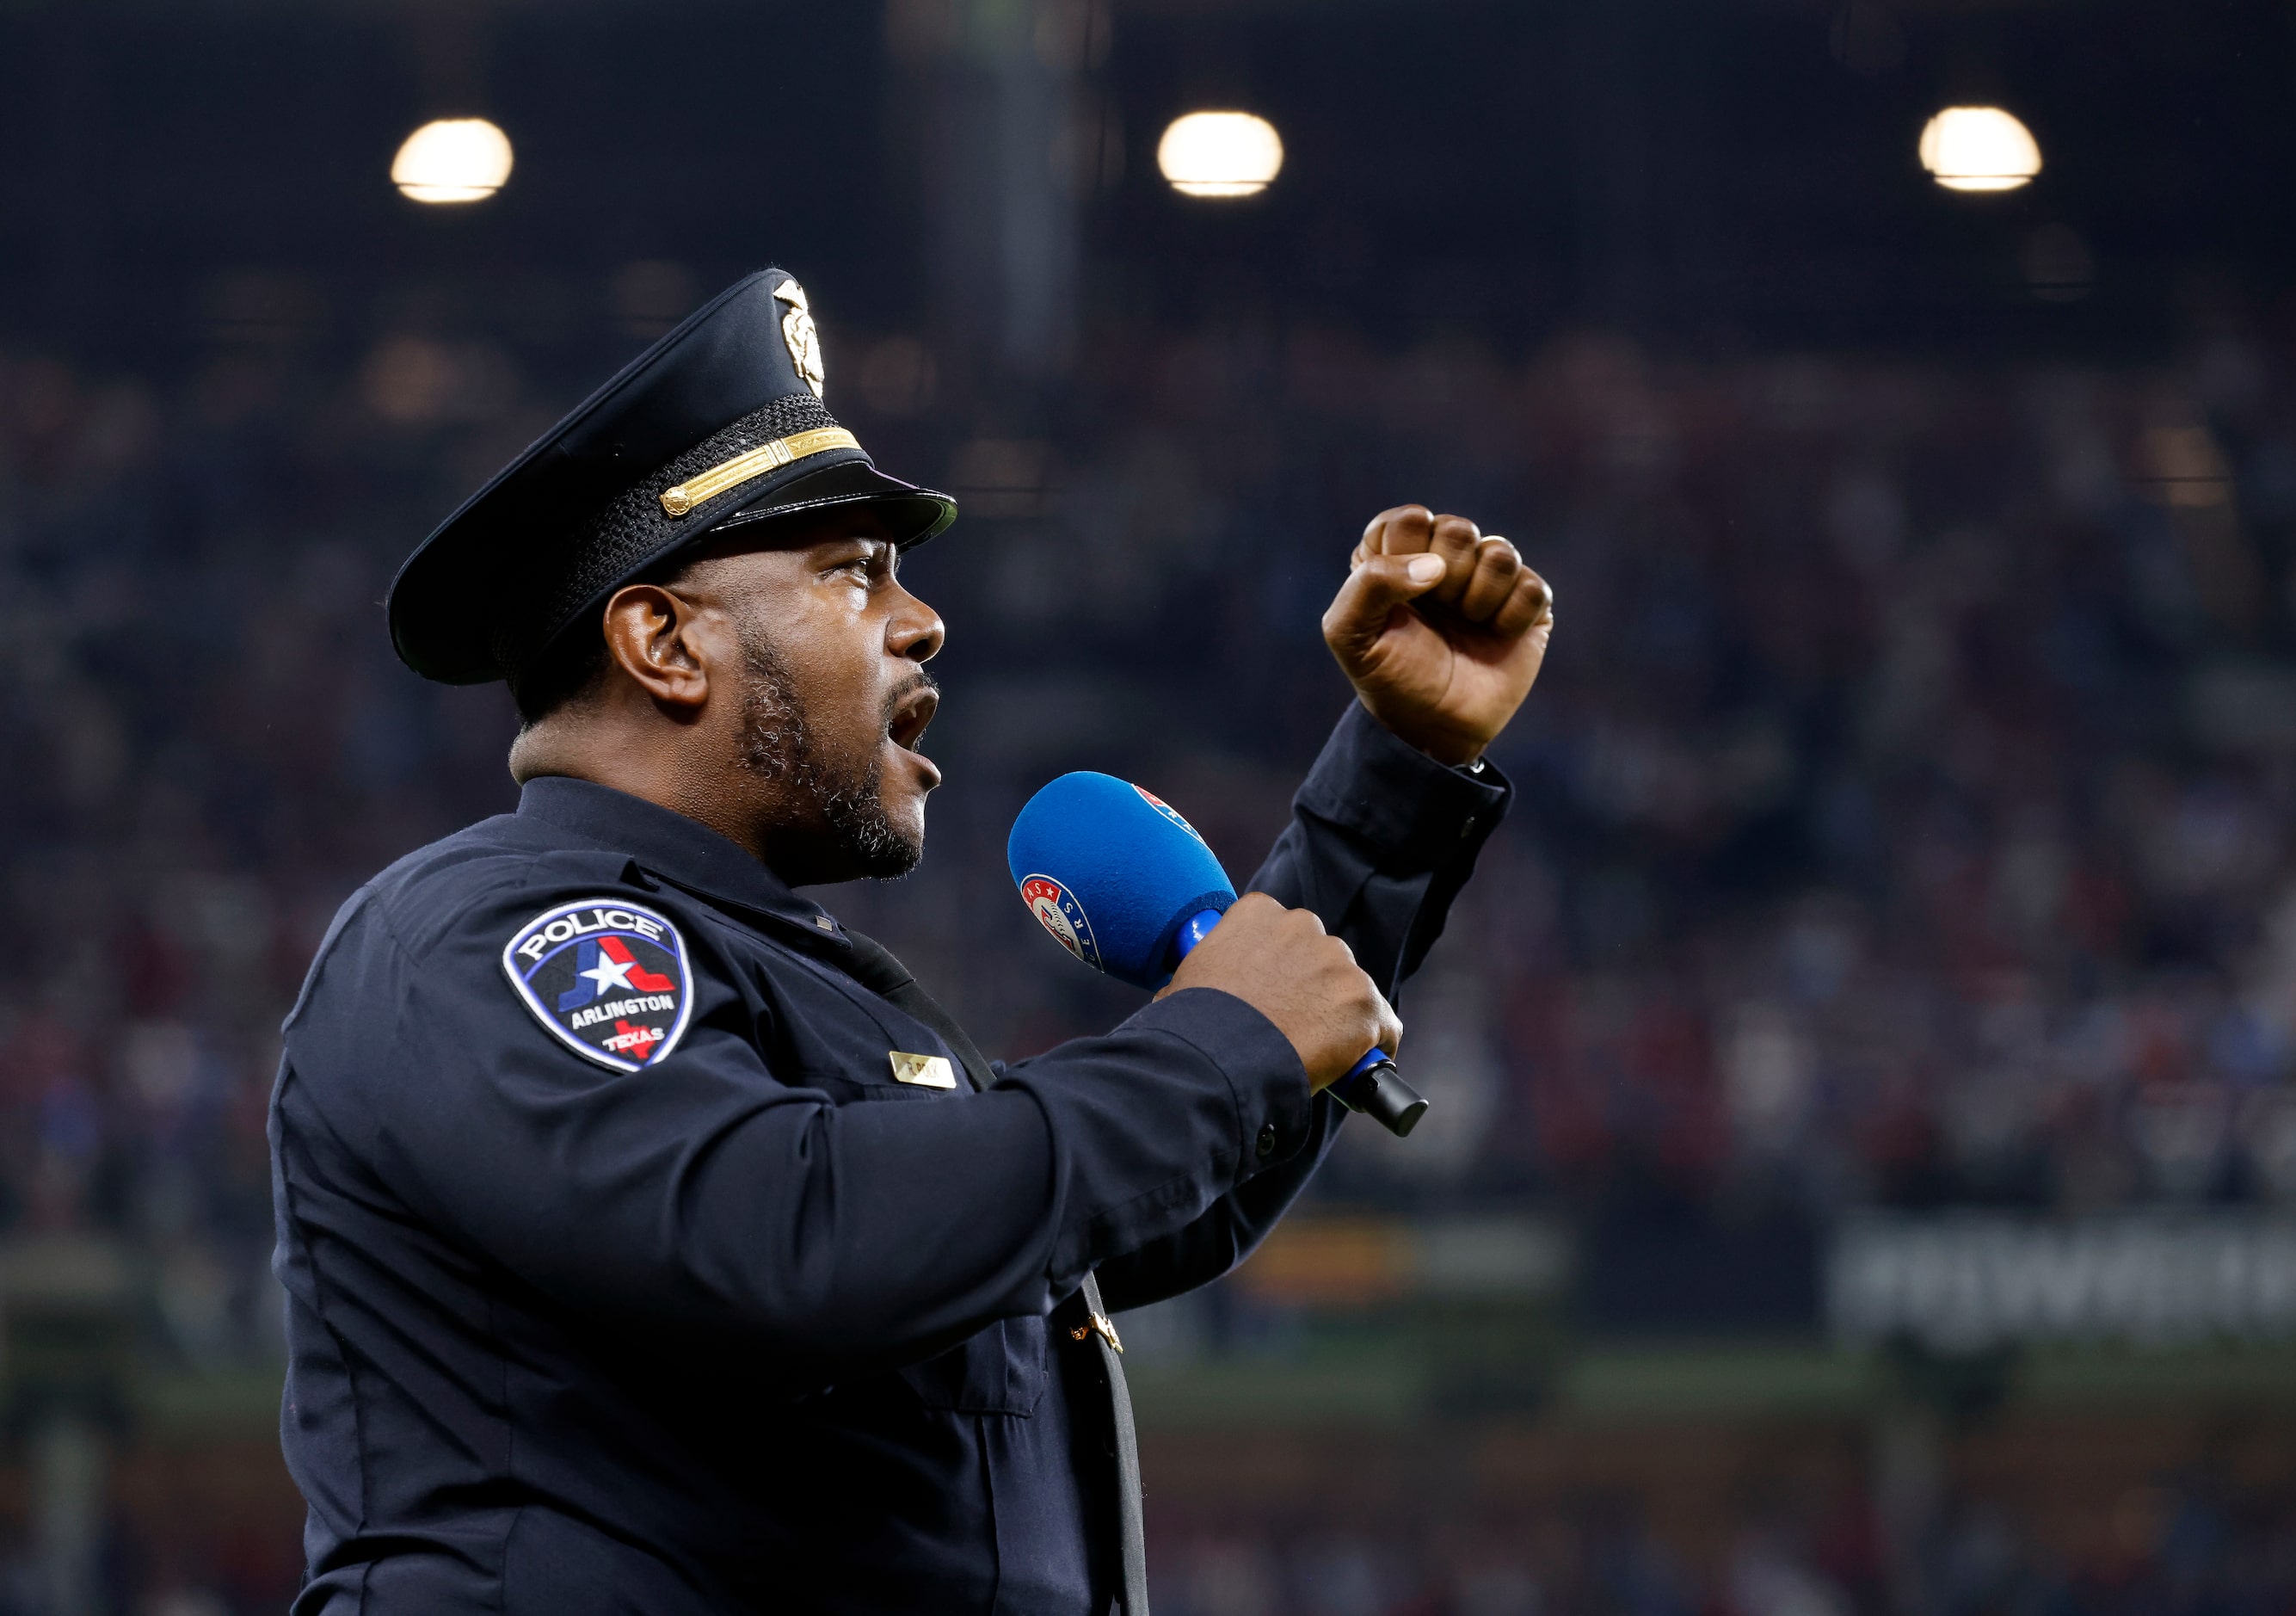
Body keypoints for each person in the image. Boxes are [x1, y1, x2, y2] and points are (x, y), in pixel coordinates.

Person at [270, 268, 1554, 1615]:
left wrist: (1393, 780)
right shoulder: (493, 929)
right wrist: (1218, 1044)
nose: (923, 619)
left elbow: (1100, 1204)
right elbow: (780, 1243)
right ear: (663, 640)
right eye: (851, 571)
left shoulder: (797, 990)